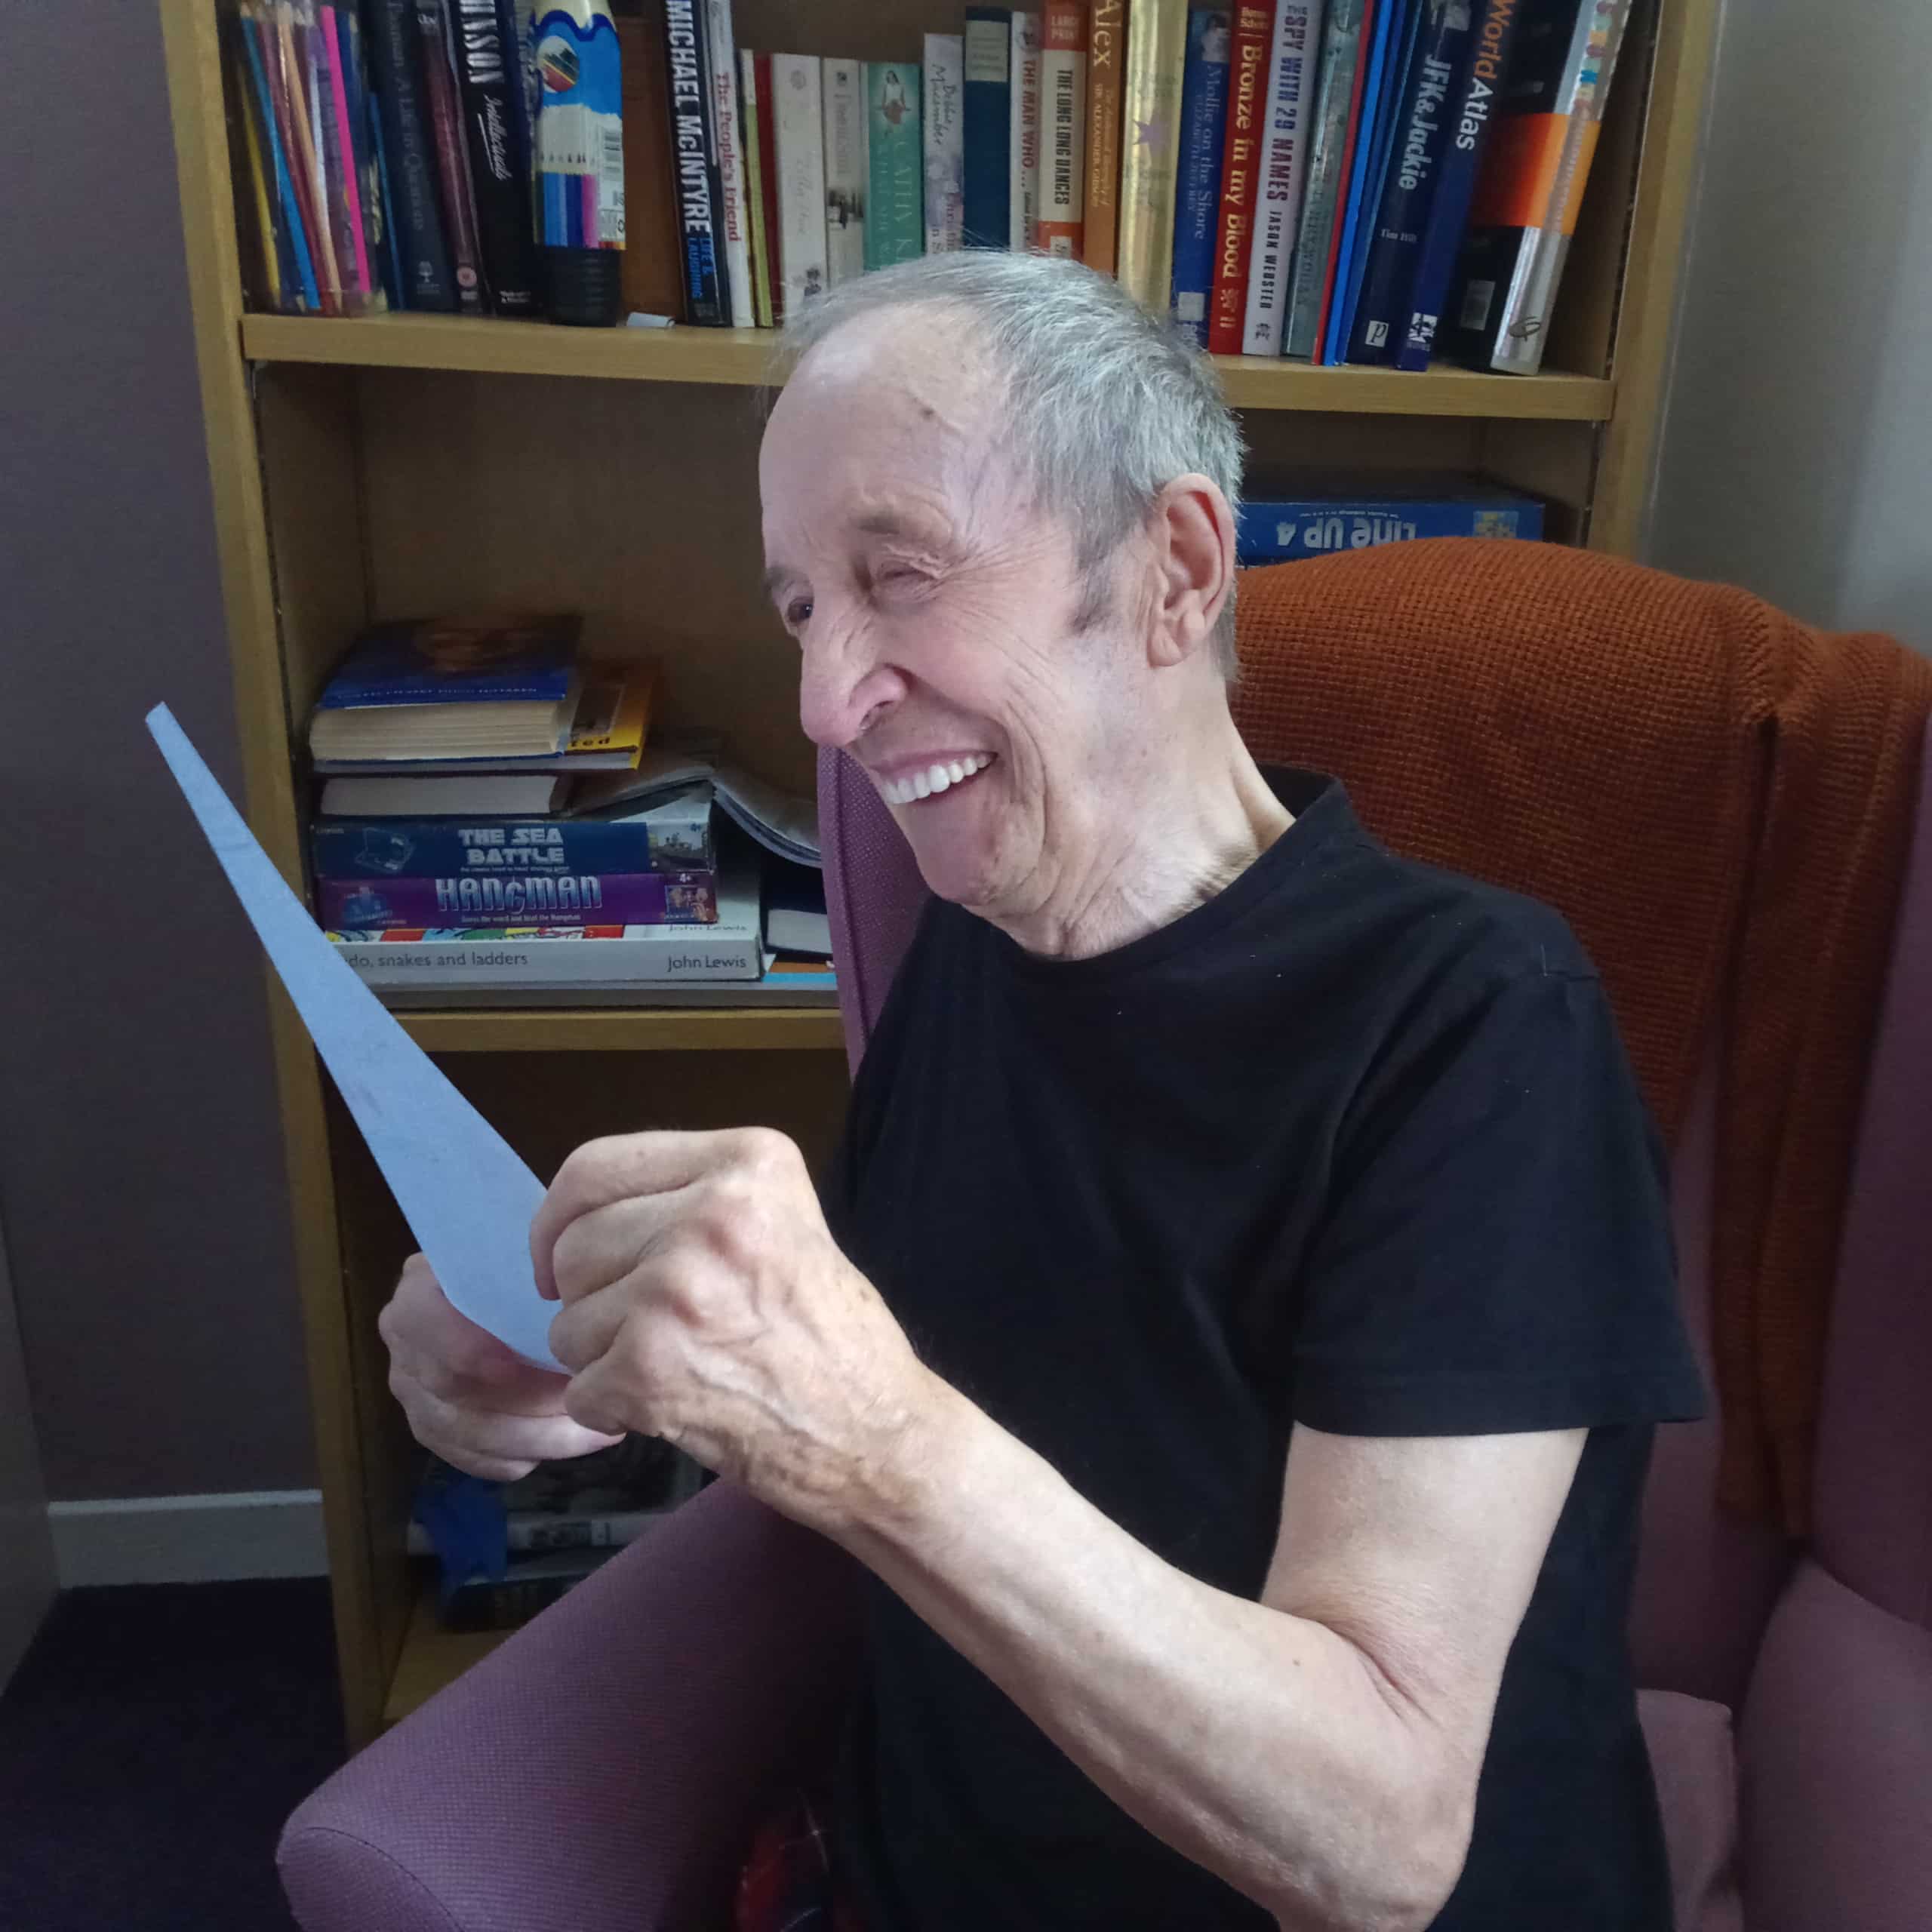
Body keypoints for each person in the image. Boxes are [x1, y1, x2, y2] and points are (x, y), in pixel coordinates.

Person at [380, 252, 1706, 1931]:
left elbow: (1377, 1832)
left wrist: (873, 1436)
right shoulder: (978, 944)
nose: (821, 698)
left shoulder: (1472, 1023)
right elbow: (881, 1383)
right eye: (800, 604)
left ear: (1171, 569)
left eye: (901, 574)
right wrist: (574, 1359)